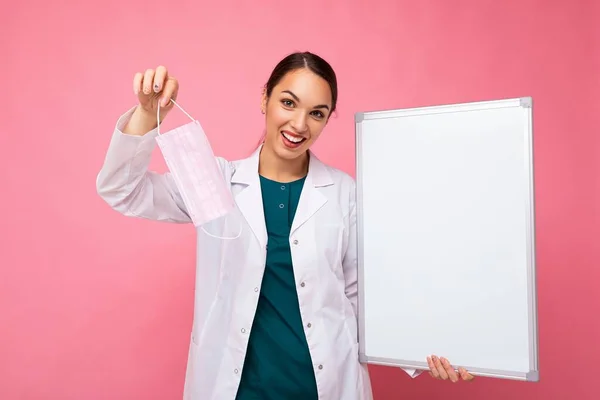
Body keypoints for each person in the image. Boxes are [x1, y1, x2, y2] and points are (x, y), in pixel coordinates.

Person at [96, 51, 474, 400]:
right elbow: (121, 190)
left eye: (317, 113)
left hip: (322, 387)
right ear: (265, 98)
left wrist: (427, 351)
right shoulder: (217, 183)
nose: (299, 124)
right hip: (236, 390)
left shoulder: (344, 193)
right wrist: (146, 113)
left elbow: (365, 298)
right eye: (288, 103)